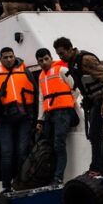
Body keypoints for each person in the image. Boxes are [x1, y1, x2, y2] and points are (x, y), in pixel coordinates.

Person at [0, 47, 38, 191]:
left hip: (24, 118)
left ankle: (20, 182)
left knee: (22, 150)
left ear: (14, 56)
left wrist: (37, 118)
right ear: (1, 59)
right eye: (6, 57)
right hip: (5, 119)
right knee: (7, 152)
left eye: (11, 56)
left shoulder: (25, 71)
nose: (9, 59)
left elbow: (36, 93)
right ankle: (6, 185)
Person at [54, 36, 103, 177]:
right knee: (96, 136)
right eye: (58, 54)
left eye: (62, 53)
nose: (61, 56)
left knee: (95, 135)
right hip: (92, 101)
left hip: (100, 100)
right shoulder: (72, 62)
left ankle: (96, 168)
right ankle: (100, 169)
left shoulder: (85, 60)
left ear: (70, 49)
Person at [36, 48, 76, 185]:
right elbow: (41, 98)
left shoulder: (61, 71)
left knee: (59, 144)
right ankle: (50, 176)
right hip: (49, 114)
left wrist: (70, 102)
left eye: (46, 59)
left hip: (63, 112)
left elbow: (75, 88)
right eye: (41, 61)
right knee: (49, 145)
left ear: (51, 58)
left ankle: (58, 178)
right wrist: (40, 119)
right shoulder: (41, 76)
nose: (44, 62)